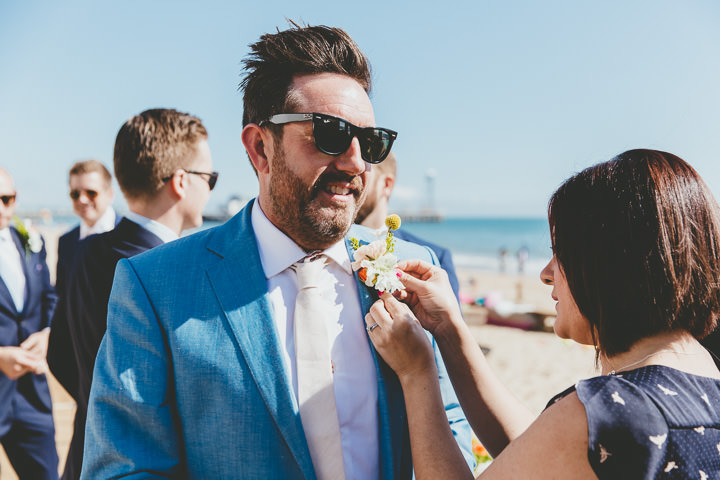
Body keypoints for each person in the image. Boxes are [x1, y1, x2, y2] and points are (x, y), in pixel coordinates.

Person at [82, 24, 472, 479]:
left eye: (370, 142)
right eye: (329, 134)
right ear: (260, 147)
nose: (354, 163)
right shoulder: (154, 286)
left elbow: (455, 426)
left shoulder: (410, 271)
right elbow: (124, 468)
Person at [365, 149, 720, 479]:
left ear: (611, 261)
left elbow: (562, 442)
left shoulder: (608, 412)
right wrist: (449, 330)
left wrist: (417, 373)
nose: (546, 272)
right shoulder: (702, 381)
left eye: (561, 251)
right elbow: (537, 451)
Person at [47, 108, 215, 480]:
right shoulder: (166, 271)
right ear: (182, 181)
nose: (211, 187)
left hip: (84, 454)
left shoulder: (84, 252)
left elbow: (58, 352)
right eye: (210, 177)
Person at [0, 167, 59, 479]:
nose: (0, 208)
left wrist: (47, 333)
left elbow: (49, 297)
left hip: (31, 394)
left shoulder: (30, 241)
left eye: (5, 199)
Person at [49, 160, 119, 405]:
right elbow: (62, 298)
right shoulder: (66, 242)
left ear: (109, 194)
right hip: (79, 370)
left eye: (91, 192)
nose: (82, 199)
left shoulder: (127, 235)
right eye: (75, 193)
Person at [355, 152, 460, 300]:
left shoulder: (435, 258)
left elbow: (450, 320)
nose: (349, 181)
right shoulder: (328, 250)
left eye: (359, 173)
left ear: (386, 184)